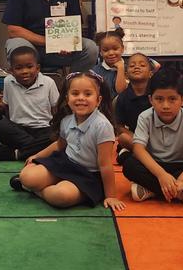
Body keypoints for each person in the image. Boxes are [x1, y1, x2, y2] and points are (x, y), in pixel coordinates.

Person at [11, 71, 125, 211]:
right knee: (26, 176)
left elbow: (105, 164)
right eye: (75, 94)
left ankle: (37, 191)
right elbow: (60, 144)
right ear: (67, 98)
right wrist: (37, 156)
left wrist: (111, 195)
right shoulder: (67, 120)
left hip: (88, 175)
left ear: (98, 100)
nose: (81, 98)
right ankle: (34, 185)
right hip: (65, 164)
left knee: (61, 196)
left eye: (88, 94)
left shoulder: (102, 126)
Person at [121, 67, 183, 209]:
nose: (165, 106)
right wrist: (161, 175)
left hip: (180, 166)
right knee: (129, 166)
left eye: (172, 99)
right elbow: (139, 149)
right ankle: (182, 195)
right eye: (159, 99)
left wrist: (181, 182)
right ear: (150, 100)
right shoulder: (145, 117)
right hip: (154, 166)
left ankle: (154, 190)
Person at [0, 46, 59, 161]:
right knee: (1, 126)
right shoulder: (8, 82)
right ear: (11, 71)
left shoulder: (48, 83)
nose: (25, 71)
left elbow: (56, 108)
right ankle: (39, 151)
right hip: (19, 129)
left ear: (38, 68)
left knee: (57, 135)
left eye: (30, 67)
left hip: (43, 129)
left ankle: (18, 154)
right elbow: (7, 107)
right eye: (18, 68)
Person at [113, 53, 156, 161]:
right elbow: (119, 126)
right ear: (126, 74)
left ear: (151, 73)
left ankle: (139, 154)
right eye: (132, 66)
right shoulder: (122, 98)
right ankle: (144, 153)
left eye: (142, 65)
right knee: (123, 138)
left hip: (158, 136)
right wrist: (137, 138)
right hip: (136, 137)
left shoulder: (157, 94)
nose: (137, 67)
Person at [92, 29, 128, 95]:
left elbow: (122, 92)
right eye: (105, 50)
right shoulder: (94, 72)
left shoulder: (130, 69)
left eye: (115, 49)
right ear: (100, 52)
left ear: (122, 49)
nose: (111, 53)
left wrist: (121, 68)